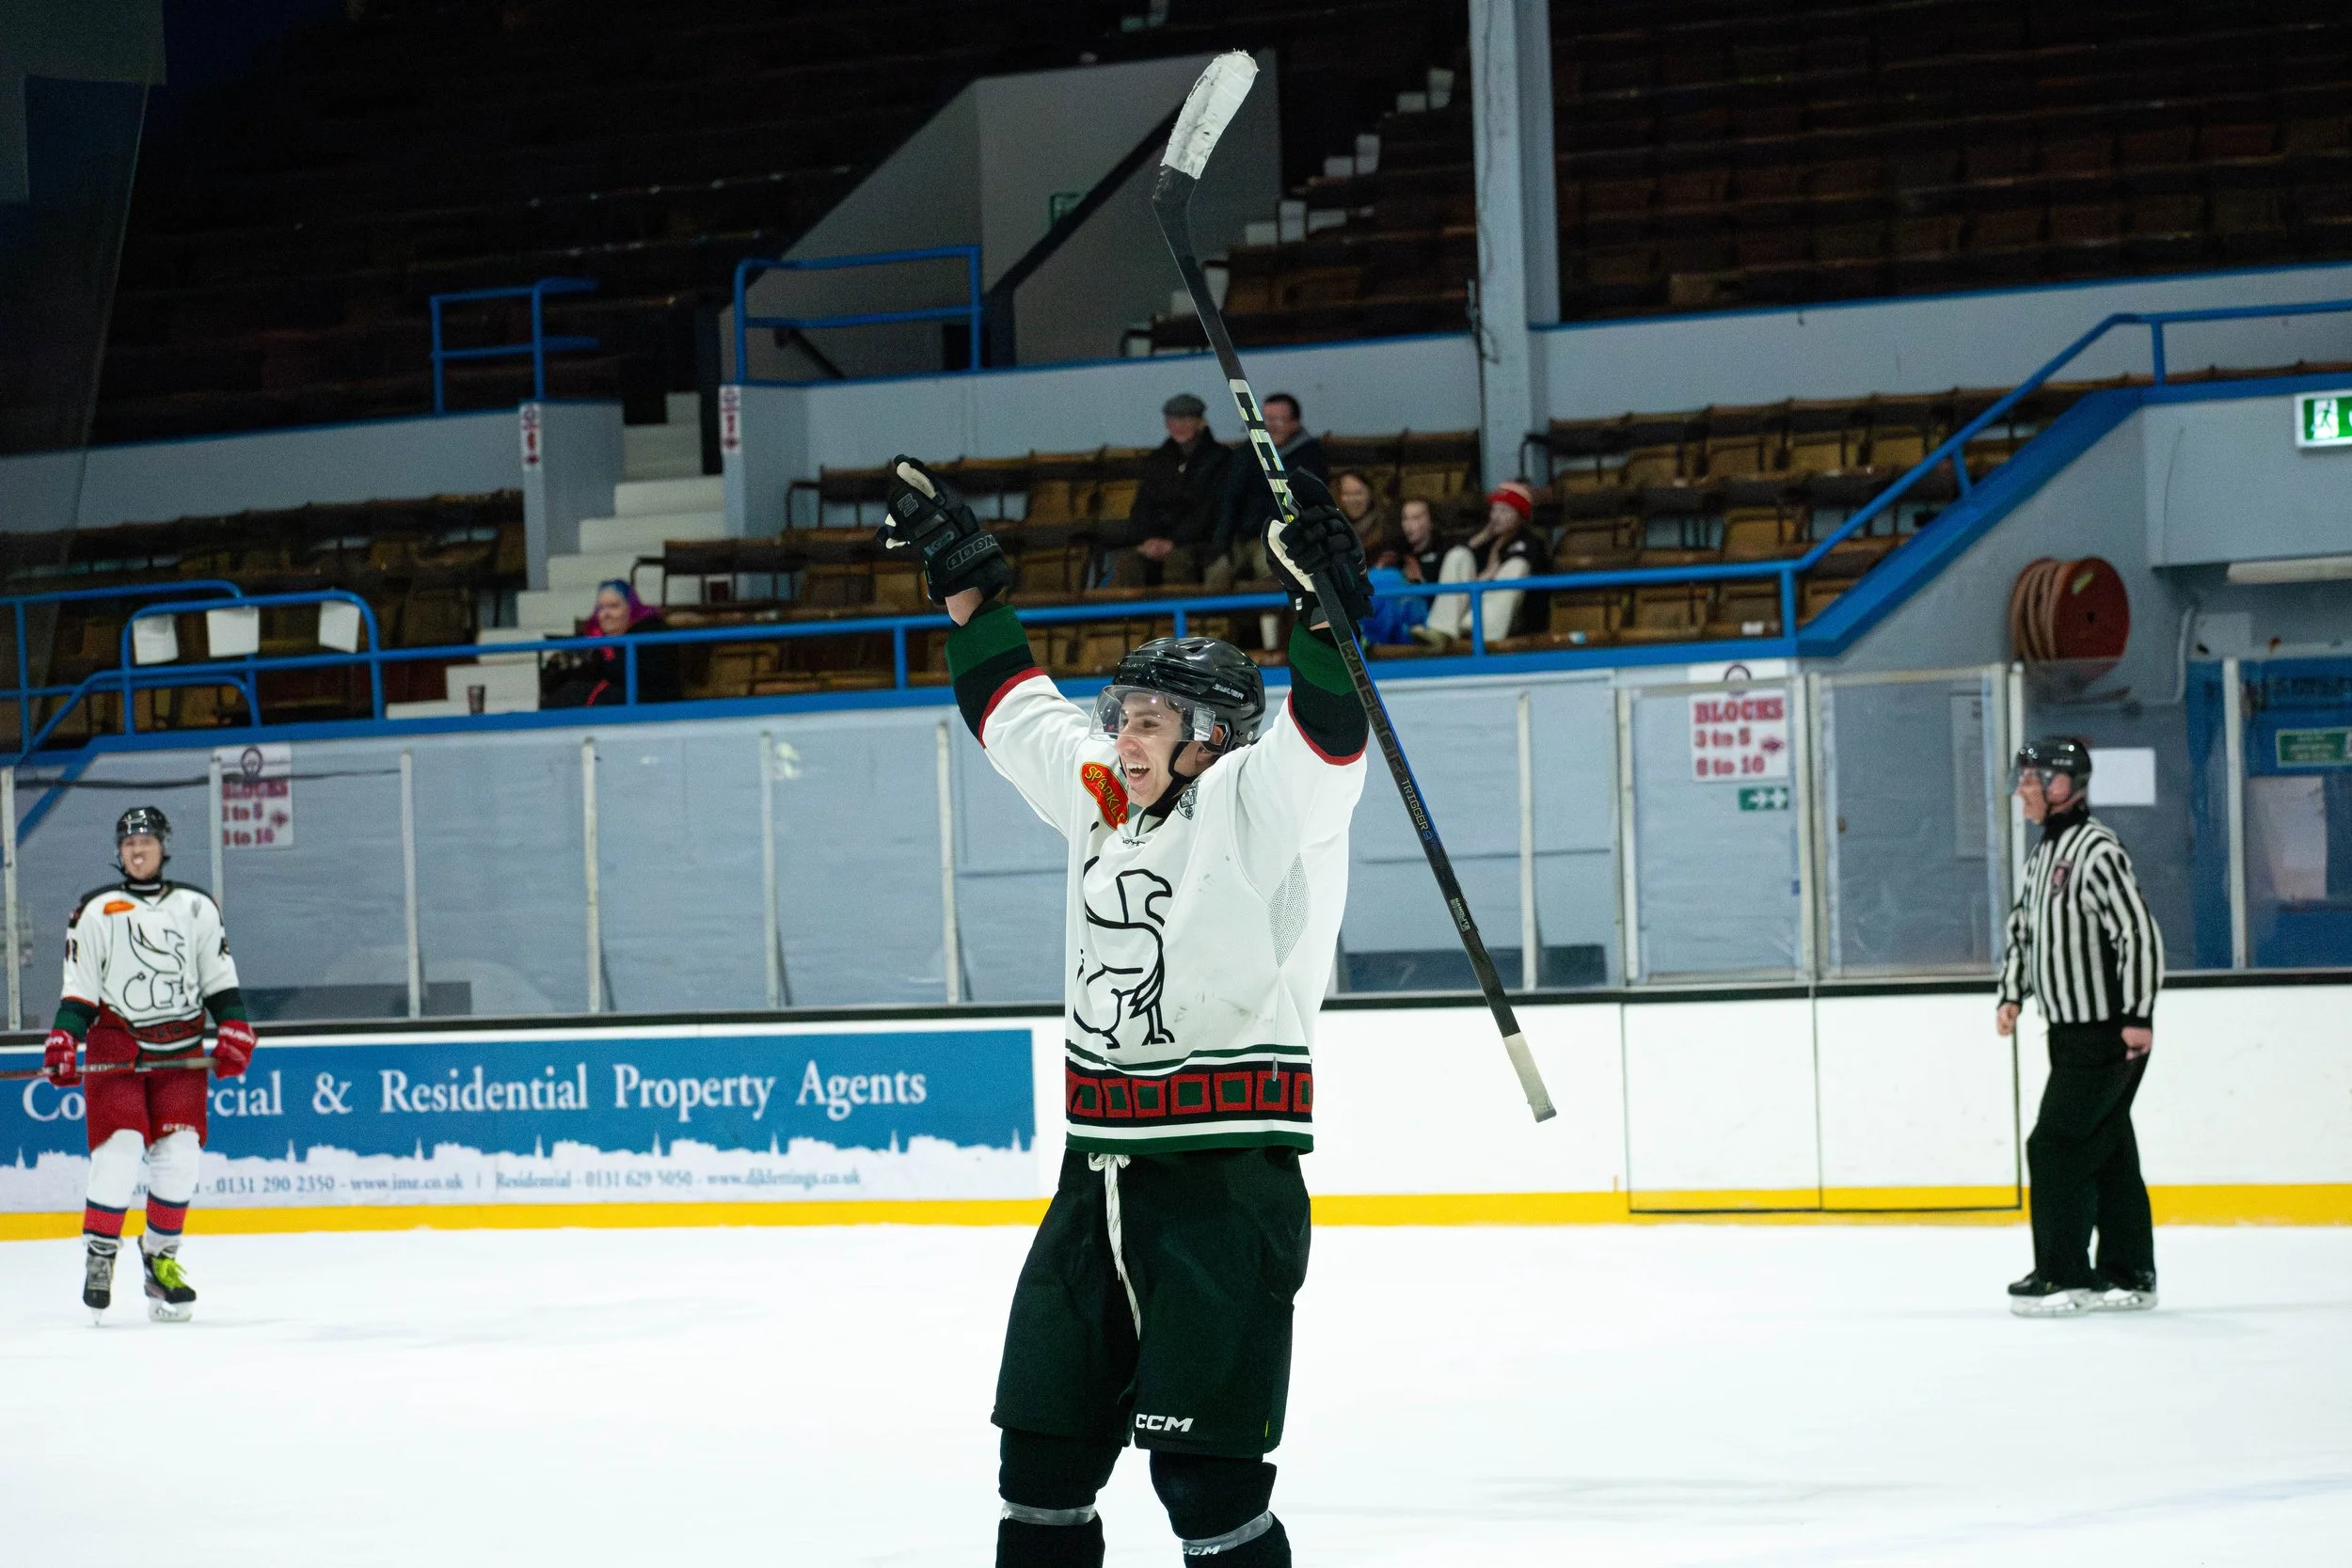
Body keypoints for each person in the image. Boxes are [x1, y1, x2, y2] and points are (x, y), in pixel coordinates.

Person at [876, 452, 1372, 1567]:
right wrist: (969, 590)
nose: (1126, 731)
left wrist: (1322, 614)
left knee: (1205, 1484)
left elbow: (1328, 737)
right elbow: (1013, 715)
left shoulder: (1261, 801)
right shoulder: (1110, 792)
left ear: (1215, 735)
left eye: (1153, 716)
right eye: (1124, 710)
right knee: (1039, 1471)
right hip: (1090, 1175)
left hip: (1222, 1184)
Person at [42, 807, 258, 1323]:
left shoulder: (197, 907)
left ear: (164, 846)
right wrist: (64, 1037)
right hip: (118, 1045)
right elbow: (80, 990)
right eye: (128, 842)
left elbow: (218, 978)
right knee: (120, 1150)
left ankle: (160, 1260)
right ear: (118, 852)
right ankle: (100, 1256)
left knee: (182, 1154)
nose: (137, 850)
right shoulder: (95, 910)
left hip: (181, 1049)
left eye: (147, 841)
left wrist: (233, 1024)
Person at [1996, 737, 2165, 1317]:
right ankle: (2129, 1272)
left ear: (2062, 785)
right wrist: (2011, 993)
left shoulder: (2096, 851)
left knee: (2054, 1147)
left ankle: (2064, 1275)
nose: (2022, 789)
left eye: (2031, 779)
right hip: (2067, 1033)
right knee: (2108, 1148)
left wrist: (2138, 1016)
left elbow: (2138, 933)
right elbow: (2023, 930)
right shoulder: (2042, 857)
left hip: (2106, 1034)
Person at [1205, 393, 1326, 594]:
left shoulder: (1310, 457)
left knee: (1269, 571)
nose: (1271, 426)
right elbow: (1230, 501)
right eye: (1266, 420)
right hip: (1242, 538)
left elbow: (1309, 504)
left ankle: (1267, 624)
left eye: (1278, 419)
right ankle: (1212, 623)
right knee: (1217, 573)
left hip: (1282, 538)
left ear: (1295, 423)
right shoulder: (1246, 454)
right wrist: (1220, 545)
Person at [1110, 393, 1232, 589]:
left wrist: (1174, 541)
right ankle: (1130, 619)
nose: (1178, 425)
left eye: (1185, 419)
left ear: (1201, 421)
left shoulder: (1220, 459)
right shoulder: (1158, 460)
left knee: (1178, 561)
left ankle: (1185, 618)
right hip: (1158, 540)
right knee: (1128, 562)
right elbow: (1143, 506)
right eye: (1172, 420)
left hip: (1199, 542)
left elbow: (1210, 511)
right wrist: (1148, 539)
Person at [1415, 481, 1549, 649]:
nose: (1496, 516)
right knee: (1459, 555)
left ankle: (1481, 631)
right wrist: (1481, 539)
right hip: (1469, 611)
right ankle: (1441, 631)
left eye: (1504, 511)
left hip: (1513, 620)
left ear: (1520, 516)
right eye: (1494, 510)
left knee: (1516, 565)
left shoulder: (1531, 542)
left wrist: (1487, 576)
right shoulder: (1485, 540)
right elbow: (1444, 563)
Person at [540, 579, 680, 706]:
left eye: (614, 606)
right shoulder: (596, 637)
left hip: (652, 703)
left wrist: (607, 655)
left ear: (630, 609)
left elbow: (643, 678)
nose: (606, 614)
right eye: (600, 608)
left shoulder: (651, 632)